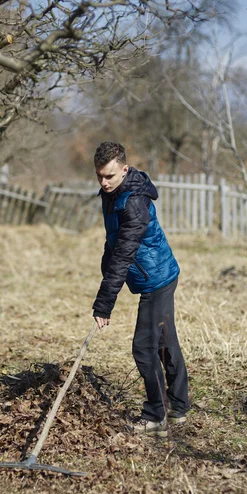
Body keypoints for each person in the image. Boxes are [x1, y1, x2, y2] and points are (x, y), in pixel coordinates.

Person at [92, 141, 189, 437]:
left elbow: (124, 253)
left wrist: (104, 304)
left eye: (109, 176)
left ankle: (155, 416)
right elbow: (114, 243)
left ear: (124, 169)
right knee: (163, 341)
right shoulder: (114, 193)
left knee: (144, 348)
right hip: (155, 273)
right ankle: (179, 406)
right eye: (99, 176)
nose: (103, 182)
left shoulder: (134, 201)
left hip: (157, 279)